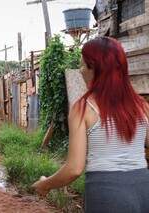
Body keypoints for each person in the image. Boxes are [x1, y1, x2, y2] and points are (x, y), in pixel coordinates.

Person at [32, 37, 149, 213]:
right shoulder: (141, 105)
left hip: (107, 196)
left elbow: (74, 168)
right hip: (143, 190)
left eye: (83, 65)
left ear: (94, 69)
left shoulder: (83, 108)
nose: (80, 71)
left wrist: (45, 184)